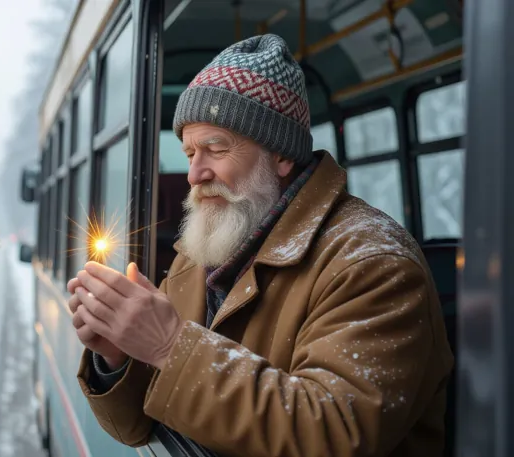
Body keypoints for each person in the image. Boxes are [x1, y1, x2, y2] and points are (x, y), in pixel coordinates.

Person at [66, 34, 453, 457]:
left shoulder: (372, 263)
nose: (194, 173)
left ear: (281, 155)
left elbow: (336, 435)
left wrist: (168, 345)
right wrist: (117, 359)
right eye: (190, 152)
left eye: (215, 148)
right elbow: (137, 427)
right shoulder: (201, 251)